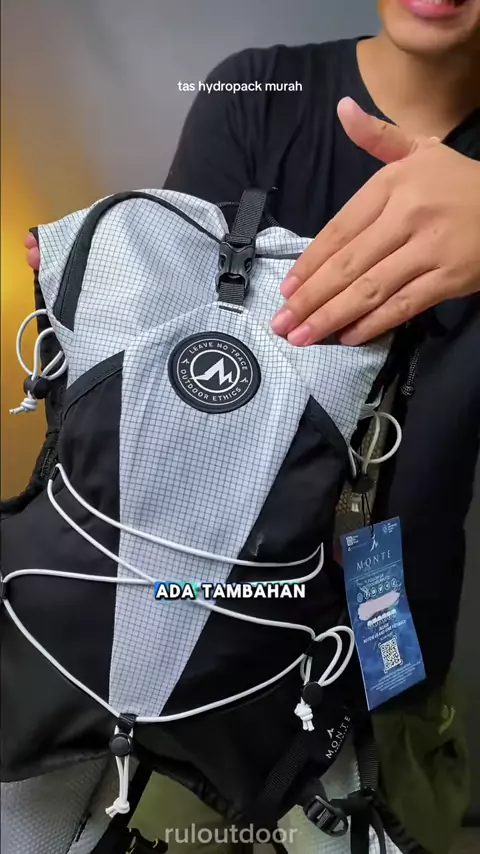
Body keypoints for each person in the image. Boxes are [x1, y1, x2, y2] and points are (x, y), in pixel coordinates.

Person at [24, 1, 480, 851]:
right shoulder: (259, 91)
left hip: (397, 634)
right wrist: (103, 282)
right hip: (197, 634)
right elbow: (175, 394)